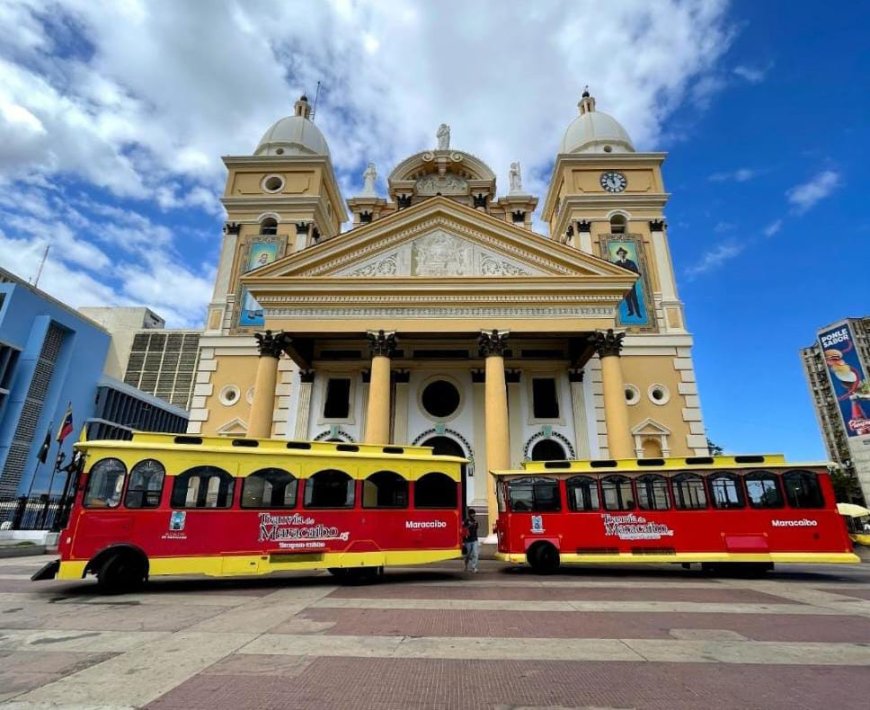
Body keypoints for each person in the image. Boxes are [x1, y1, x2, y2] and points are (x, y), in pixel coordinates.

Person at [614, 246, 641, 318]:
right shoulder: (617, 263)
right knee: (627, 298)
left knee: (634, 298)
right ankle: (631, 311)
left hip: (631, 283)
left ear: (625, 254)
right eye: (619, 253)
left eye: (622, 253)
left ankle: (638, 312)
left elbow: (637, 272)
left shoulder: (631, 262)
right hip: (622, 284)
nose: (621, 254)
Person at [463, 507, 480, 573]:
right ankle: (466, 565)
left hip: (474, 539)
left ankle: (474, 567)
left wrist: (474, 525)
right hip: (468, 540)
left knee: (475, 554)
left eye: (474, 513)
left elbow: (476, 529)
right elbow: (464, 529)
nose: (474, 515)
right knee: (468, 555)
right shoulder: (466, 521)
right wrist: (469, 525)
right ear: (469, 514)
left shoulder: (476, 522)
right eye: (472, 514)